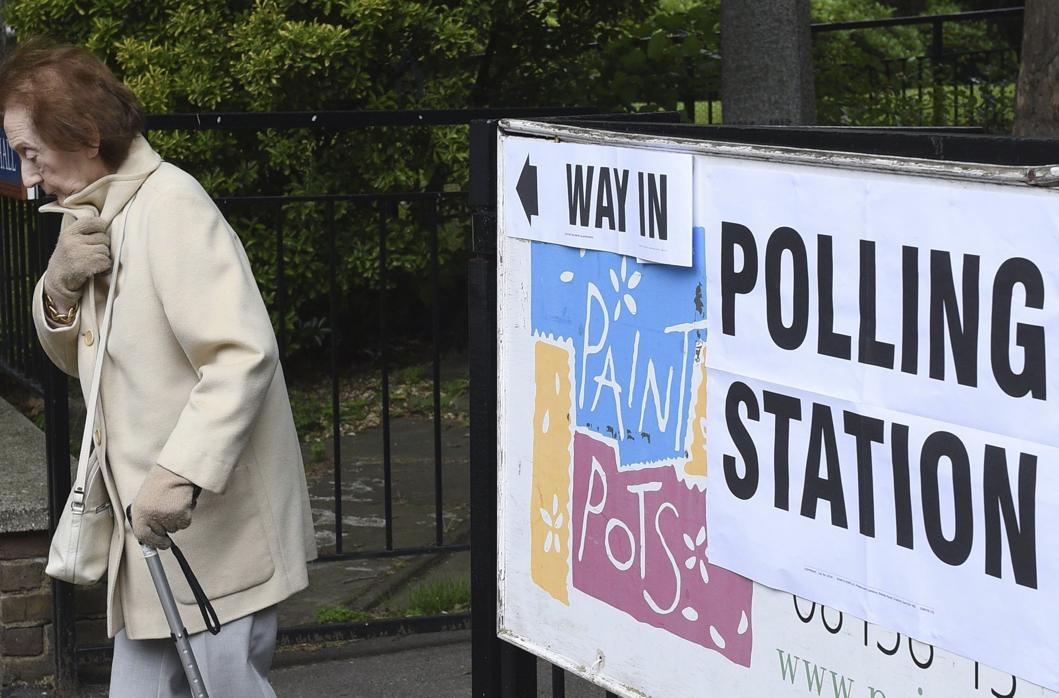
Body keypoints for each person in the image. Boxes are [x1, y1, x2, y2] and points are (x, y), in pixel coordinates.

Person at [0, 40, 316, 697]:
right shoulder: (95, 212)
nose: (26, 178)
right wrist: (57, 290)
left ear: (84, 134)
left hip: (216, 540)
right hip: (154, 545)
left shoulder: (170, 207)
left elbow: (241, 353)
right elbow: (77, 358)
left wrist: (177, 475)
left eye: (30, 153)